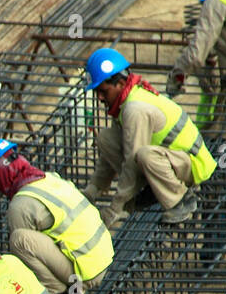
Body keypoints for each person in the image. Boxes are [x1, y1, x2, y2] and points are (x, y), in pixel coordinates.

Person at [81, 48, 216, 226]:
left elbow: (131, 162)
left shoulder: (134, 109)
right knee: (105, 137)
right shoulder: (125, 101)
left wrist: (116, 207)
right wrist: (93, 189)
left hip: (193, 165)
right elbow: (111, 154)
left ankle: (180, 200)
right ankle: (152, 188)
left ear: (120, 84)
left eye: (103, 91)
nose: (99, 97)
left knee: (144, 155)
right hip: (171, 161)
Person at [0, 139, 113, 294]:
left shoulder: (20, 206)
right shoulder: (50, 178)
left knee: (20, 241)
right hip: (104, 254)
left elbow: (25, 266)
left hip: (85, 273)